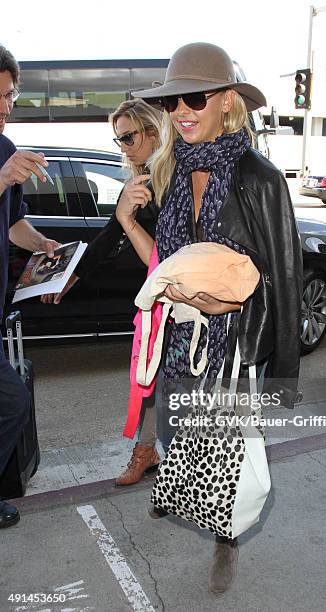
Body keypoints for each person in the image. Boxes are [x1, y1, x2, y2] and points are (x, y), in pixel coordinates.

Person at [124, 42, 303, 593]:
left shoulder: (259, 177)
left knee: (228, 451)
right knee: (186, 436)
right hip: (183, 336)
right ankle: (192, 502)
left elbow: (284, 277)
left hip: (234, 341)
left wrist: (280, 375)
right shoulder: (176, 172)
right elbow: (168, 264)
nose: (182, 112)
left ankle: (226, 532)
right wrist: (129, 219)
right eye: (176, 101)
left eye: (195, 99)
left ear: (227, 102)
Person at [41, 99, 163, 486]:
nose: (123, 146)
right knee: (151, 376)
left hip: (183, 292)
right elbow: (109, 235)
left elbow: (163, 252)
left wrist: (129, 220)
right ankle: (146, 453)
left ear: (153, 131)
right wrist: (67, 280)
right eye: (118, 139)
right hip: (160, 293)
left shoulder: (174, 176)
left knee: (167, 380)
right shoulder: (141, 180)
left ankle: (164, 458)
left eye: (129, 137)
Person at [0, 45, 59, 528]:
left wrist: (40, 243)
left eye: (10, 95)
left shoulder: (5, 148)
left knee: (9, 405)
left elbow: (13, 222)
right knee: (13, 402)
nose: (4, 107)